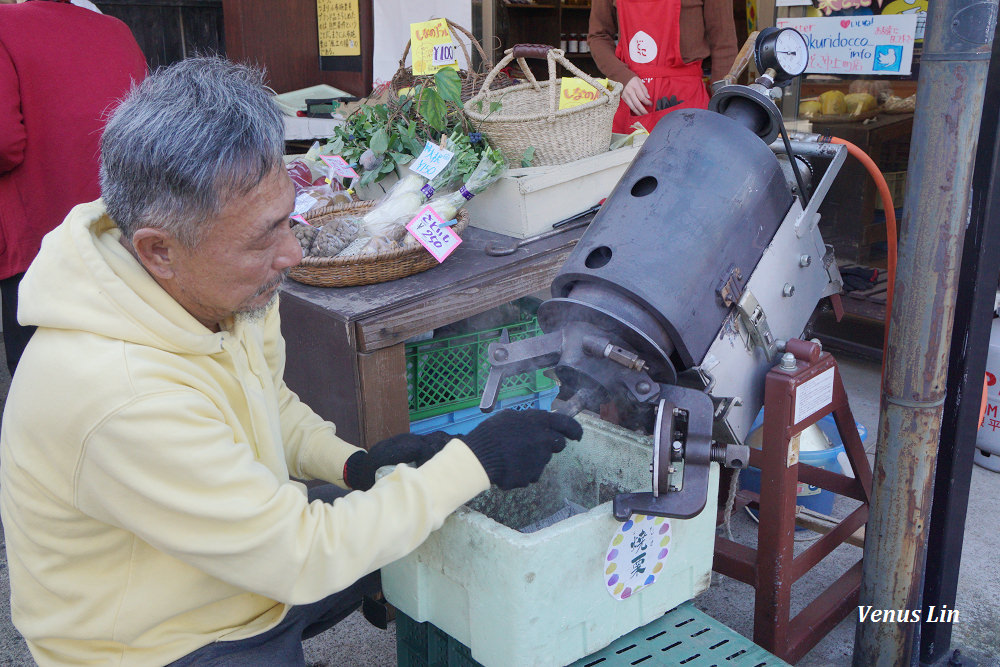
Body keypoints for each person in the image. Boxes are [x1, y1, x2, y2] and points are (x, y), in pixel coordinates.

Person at [0, 56, 583, 667]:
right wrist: (476, 461)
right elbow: (299, 557)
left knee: (397, 527)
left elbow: (264, 395)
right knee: (363, 535)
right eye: (261, 238)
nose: (289, 255)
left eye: (288, 221)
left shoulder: (204, 292)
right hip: (157, 643)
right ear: (158, 250)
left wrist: (351, 465)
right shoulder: (119, 394)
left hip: (229, 567)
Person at [0, 0, 146, 374]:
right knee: (124, 368)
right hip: (120, 232)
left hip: (40, 236)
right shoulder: (117, 30)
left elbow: (4, 143)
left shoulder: (4, 25)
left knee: (42, 378)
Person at [588, 0, 738, 133]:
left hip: (686, 103)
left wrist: (722, 106)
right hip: (632, 100)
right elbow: (598, 36)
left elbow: (724, 45)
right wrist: (622, 77)